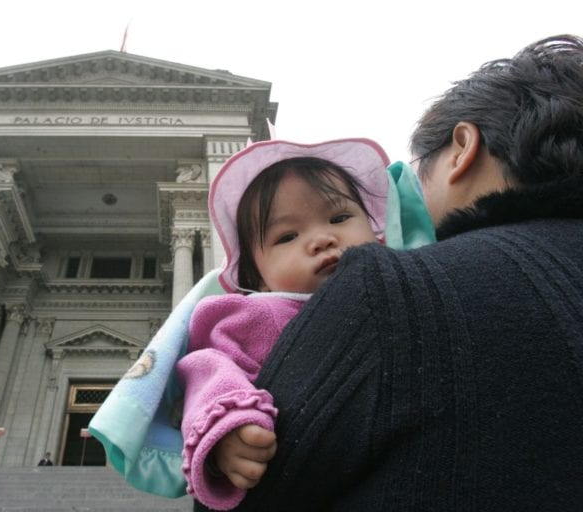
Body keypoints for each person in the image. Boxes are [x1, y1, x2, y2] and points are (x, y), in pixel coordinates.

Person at [209, 34, 583, 511]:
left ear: (462, 149)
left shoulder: (397, 292)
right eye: (285, 236)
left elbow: (255, 494)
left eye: (341, 217)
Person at [178, 138, 423, 510]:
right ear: (259, 279)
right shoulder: (255, 317)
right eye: (288, 236)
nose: (322, 239)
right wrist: (227, 431)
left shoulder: (404, 295)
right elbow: (209, 371)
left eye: (339, 218)